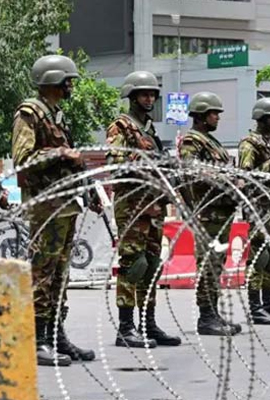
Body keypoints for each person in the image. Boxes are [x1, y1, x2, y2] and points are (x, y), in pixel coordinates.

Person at [12, 55, 98, 366]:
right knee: (43, 274)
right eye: (69, 79)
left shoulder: (55, 115)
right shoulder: (30, 113)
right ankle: (37, 339)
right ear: (54, 79)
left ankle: (55, 334)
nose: (72, 85)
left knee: (60, 275)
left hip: (64, 206)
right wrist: (61, 152)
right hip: (45, 207)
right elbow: (23, 157)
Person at [106, 71, 181, 348]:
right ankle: (126, 327)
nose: (149, 98)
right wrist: (146, 160)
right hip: (133, 206)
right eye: (144, 94)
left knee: (151, 265)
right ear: (132, 96)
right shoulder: (121, 127)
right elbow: (116, 162)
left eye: (153, 94)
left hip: (153, 205)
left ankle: (148, 324)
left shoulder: (149, 130)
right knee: (132, 264)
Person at [178, 91, 242, 336]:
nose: (218, 118)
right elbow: (191, 171)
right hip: (207, 213)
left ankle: (213, 313)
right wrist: (226, 180)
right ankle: (206, 317)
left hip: (221, 212)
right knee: (209, 264)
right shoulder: (192, 141)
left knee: (217, 264)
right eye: (214, 113)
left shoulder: (212, 142)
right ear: (202, 115)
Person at [237, 97, 270, 325]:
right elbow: (247, 175)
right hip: (258, 206)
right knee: (259, 258)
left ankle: (269, 302)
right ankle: (255, 306)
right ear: (261, 118)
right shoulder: (250, 144)